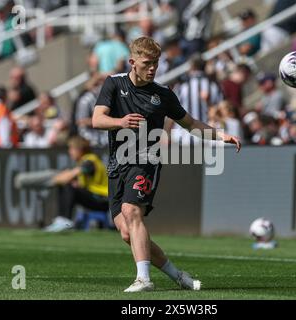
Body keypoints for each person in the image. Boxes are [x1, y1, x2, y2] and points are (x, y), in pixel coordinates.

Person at [92, 36, 241, 292]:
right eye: (147, 63)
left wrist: (220, 135)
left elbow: (191, 124)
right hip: (118, 164)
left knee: (132, 210)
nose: (153, 68)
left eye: (156, 63)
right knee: (127, 233)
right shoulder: (114, 84)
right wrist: (120, 122)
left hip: (146, 160)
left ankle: (143, 279)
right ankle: (178, 276)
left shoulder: (162, 95)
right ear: (133, 62)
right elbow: (96, 119)